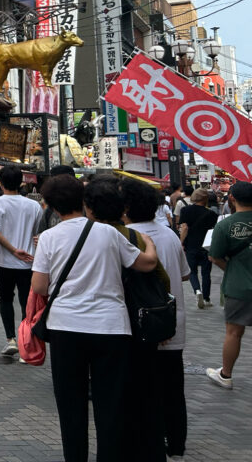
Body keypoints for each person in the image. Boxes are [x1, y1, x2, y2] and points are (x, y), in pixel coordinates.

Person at [32, 174, 159, 462]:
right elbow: (147, 264)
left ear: (51, 206)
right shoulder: (109, 233)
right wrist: (149, 242)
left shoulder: (49, 237)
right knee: (110, 404)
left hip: (65, 327)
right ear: (83, 201)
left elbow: (39, 286)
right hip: (111, 327)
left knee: (70, 404)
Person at [85, 176, 171, 462]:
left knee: (111, 394)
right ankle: (149, 449)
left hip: (103, 325)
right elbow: (160, 277)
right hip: (140, 323)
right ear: (122, 209)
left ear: (91, 209)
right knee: (145, 391)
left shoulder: (87, 235)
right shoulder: (134, 237)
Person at [122, 177, 190, 461]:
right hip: (171, 322)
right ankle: (176, 443)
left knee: (141, 386)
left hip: (138, 325)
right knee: (173, 387)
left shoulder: (124, 236)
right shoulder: (169, 235)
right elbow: (185, 274)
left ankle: (147, 441)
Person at [0, 165, 43, 357]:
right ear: (21, 182)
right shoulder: (34, 206)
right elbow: (38, 233)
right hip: (29, 261)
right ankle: (27, 342)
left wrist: (12, 250)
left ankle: (10, 339)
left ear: (0, 183)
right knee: (28, 302)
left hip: (4, 261)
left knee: (6, 299)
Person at [206, 181, 252, 390]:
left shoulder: (224, 225)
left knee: (233, 333)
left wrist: (232, 270)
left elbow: (214, 257)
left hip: (238, 286)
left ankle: (226, 375)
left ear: (231, 198)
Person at [178, 187, 218, 310]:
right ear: (206, 199)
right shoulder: (212, 214)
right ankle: (206, 298)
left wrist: (181, 242)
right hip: (206, 246)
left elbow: (184, 228)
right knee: (206, 273)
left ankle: (197, 291)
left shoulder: (185, 210)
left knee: (192, 271)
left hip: (191, 245)